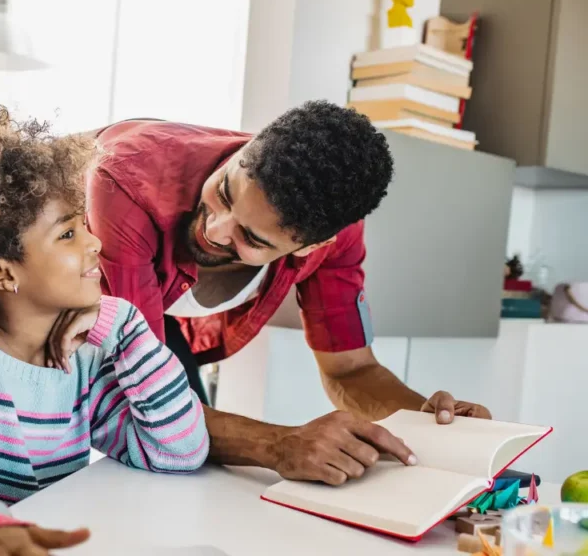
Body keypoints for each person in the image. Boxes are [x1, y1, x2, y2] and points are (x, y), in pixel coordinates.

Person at [82, 101, 492, 487]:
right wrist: (277, 444)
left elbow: (351, 370)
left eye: (250, 238)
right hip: (34, 297)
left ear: (314, 246)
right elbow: (144, 396)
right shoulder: (128, 182)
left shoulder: (335, 235)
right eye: (224, 192)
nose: (214, 229)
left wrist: (426, 424)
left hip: (147, 327)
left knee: (191, 472)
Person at [0, 110, 209, 556]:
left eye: (84, 226)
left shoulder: (83, 357)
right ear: (2, 273)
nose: (94, 243)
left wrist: (129, 327)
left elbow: (178, 452)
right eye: (68, 233)